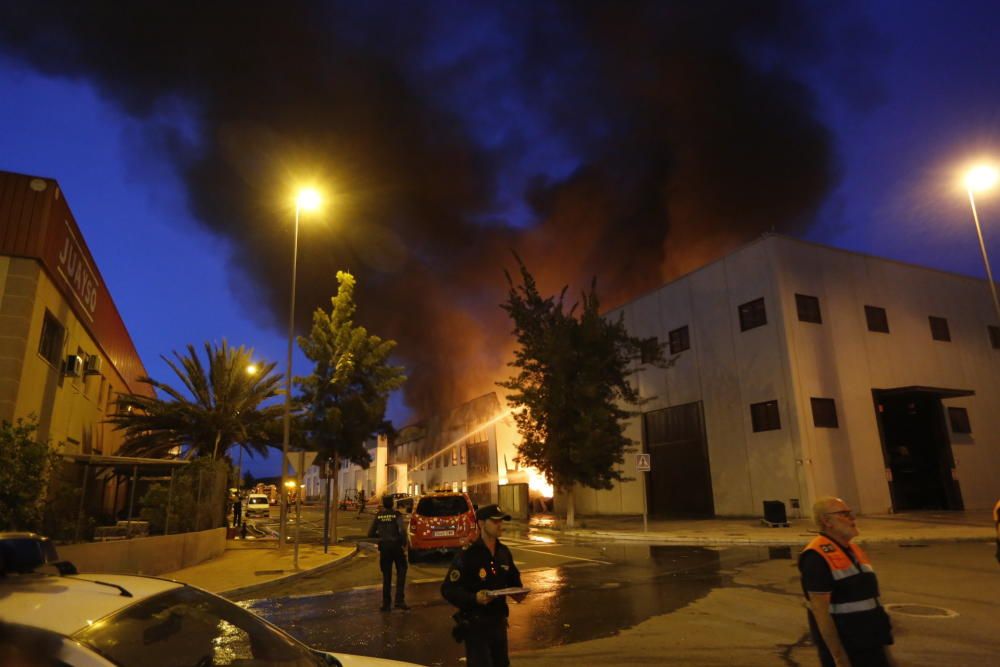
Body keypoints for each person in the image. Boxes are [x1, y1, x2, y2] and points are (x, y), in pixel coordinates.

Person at [799, 496, 895, 667]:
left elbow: (870, 602)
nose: (852, 518)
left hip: (872, 644)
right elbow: (821, 615)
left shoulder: (853, 550)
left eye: (850, 513)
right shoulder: (816, 556)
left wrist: (885, 652)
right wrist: (839, 658)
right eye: (844, 514)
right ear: (826, 521)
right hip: (850, 650)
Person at [441, 504, 526, 667]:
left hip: (499, 623)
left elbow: (514, 581)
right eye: (495, 521)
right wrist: (474, 598)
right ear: (481, 524)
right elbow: (448, 589)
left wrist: (518, 592)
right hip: (476, 625)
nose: (500, 525)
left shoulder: (503, 552)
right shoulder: (468, 554)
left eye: (501, 521)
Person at [367, 494, 408, 611]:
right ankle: (399, 600)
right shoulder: (396, 515)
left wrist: (381, 536)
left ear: (383, 504)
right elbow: (402, 531)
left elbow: (370, 534)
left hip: (384, 547)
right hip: (396, 547)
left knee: (386, 575)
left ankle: (386, 604)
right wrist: (403, 543)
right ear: (392, 503)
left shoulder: (379, 516)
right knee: (402, 570)